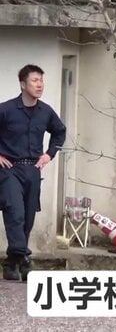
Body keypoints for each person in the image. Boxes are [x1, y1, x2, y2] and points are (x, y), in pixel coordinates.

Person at [0, 64, 66, 281]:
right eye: (34, 81)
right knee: (15, 213)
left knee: (27, 218)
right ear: (22, 84)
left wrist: (49, 154)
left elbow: (60, 132)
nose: (39, 85)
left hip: (33, 170)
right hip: (9, 170)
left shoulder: (45, 112)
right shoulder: (6, 110)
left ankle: (12, 264)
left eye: (41, 80)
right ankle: (25, 258)